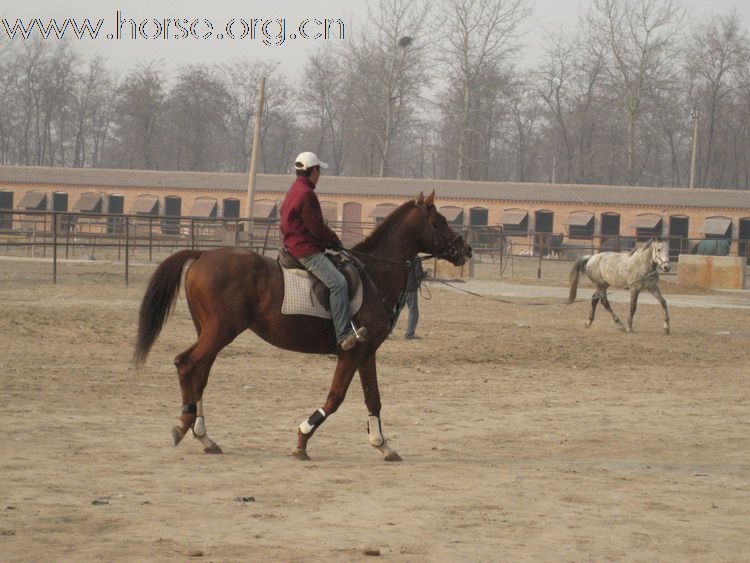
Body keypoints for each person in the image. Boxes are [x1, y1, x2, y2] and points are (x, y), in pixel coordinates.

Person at [279, 151, 366, 351]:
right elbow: (316, 227)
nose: (320, 175)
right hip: (306, 251)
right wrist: (334, 239)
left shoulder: (294, 190)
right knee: (338, 283)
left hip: (294, 245)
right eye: (319, 170)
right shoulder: (306, 194)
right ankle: (343, 334)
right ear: (314, 171)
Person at [401, 257, 427, 339]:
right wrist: (425, 274)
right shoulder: (416, 258)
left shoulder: (401, 254)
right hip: (411, 289)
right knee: (413, 312)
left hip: (400, 288)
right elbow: (419, 275)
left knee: (395, 311)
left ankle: (388, 331)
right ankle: (410, 333)